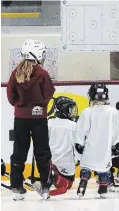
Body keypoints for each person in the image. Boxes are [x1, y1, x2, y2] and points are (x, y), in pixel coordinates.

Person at [6, 39, 55, 200]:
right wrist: (39, 106)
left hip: (20, 118)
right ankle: (46, 187)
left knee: (19, 151)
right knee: (42, 151)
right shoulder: (42, 73)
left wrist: (21, 106)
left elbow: (11, 96)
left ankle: (16, 188)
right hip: (39, 119)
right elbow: (48, 93)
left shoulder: (15, 73)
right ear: (38, 54)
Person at [75, 83, 119, 198]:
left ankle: (84, 179)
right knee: (104, 167)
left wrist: (79, 143)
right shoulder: (113, 112)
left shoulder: (87, 112)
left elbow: (81, 130)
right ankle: (103, 186)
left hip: (90, 148)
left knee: (86, 165)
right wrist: (118, 144)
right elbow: (118, 131)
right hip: (105, 148)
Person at [47, 96, 78, 196]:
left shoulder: (49, 123)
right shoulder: (74, 125)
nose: (72, 111)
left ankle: (52, 176)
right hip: (68, 167)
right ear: (63, 108)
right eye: (69, 108)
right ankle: (57, 179)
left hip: (53, 163)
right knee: (69, 184)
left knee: (65, 184)